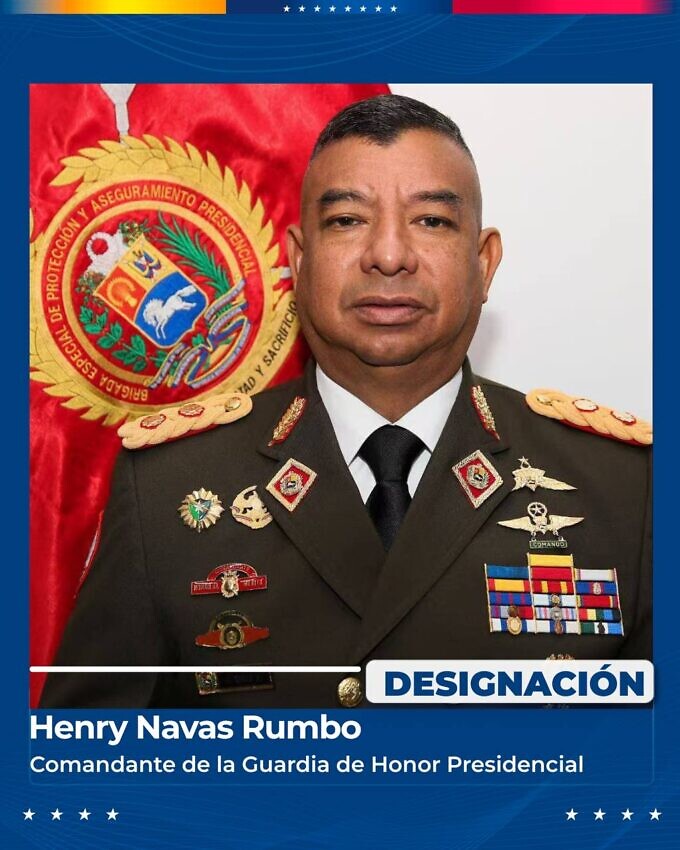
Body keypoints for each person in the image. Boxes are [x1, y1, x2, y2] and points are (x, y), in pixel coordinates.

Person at [40, 95, 651, 709]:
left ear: (484, 263)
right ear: (299, 260)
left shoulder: (625, 487)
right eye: (347, 220)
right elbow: (86, 755)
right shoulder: (167, 486)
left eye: (431, 220)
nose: (389, 255)